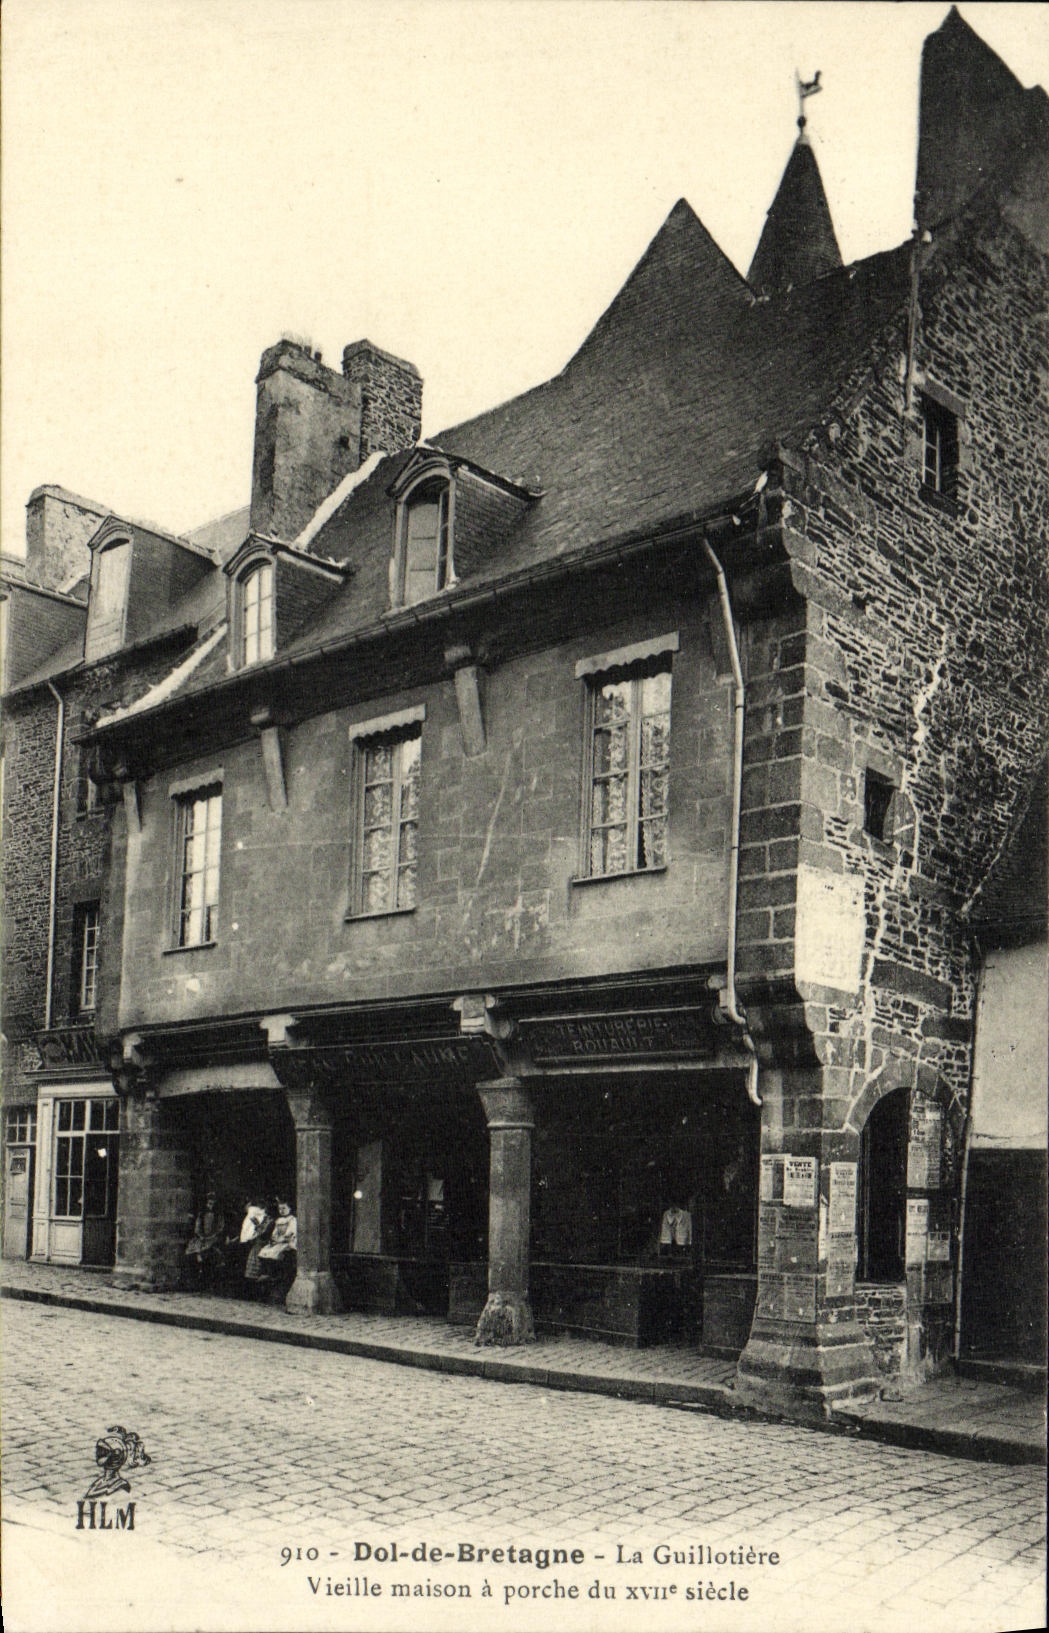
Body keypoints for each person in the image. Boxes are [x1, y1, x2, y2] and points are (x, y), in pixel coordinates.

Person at [257, 1197, 297, 1299]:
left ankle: (273, 1272)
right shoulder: (279, 1220)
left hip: (287, 1242)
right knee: (264, 1251)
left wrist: (281, 1240)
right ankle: (267, 1272)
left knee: (277, 1251)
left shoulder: (292, 1220)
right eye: (280, 1209)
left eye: (284, 1208)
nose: (281, 1211)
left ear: (289, 1208)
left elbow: (291, 1233)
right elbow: (275, 1232)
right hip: (278, 1241)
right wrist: (274, 1238)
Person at [184, 1193, 226, 1289]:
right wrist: (200, 1235)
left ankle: (211, 1280)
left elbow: (220, 1227)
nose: (211, 1205)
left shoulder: (218, 1215)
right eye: (209, 1203)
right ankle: (198, 1278)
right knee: (196, 1253)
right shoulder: (202, 1214)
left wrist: (213, 1235)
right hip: (202, 1237)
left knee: (215, 1254)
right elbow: (198, 1226)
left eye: (213, 1203)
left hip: (213, 1238)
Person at [238, 1196, 273, 1298]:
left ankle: (259, 1293)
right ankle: (249, 1292)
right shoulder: (251, 1217)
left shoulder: (268, 1219)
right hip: (252, 1243)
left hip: (262, 1244)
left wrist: (257, 1226)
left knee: (258, 1268)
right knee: (249, 1267)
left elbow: (264, 1232)